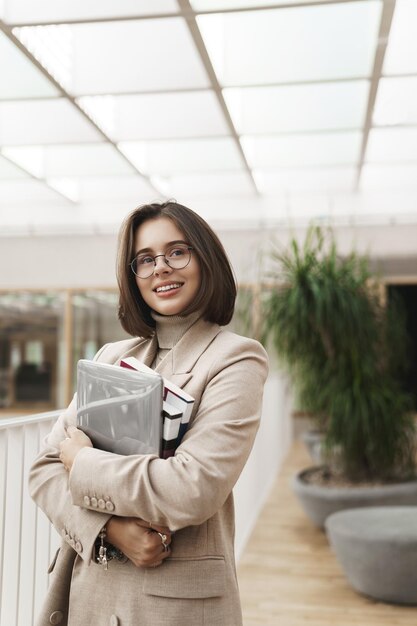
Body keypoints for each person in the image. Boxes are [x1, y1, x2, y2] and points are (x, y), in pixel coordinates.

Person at [29, 200, 268, 626]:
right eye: (145, 259)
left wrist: (82, 462)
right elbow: (45, 469)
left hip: (170, 607)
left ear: (205, 258)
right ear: (133, 275)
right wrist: (109, 529)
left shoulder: (236, 359)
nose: (161, 267)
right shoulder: (110, 356)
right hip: (89, 596)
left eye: (177, 252)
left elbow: (192, 487)